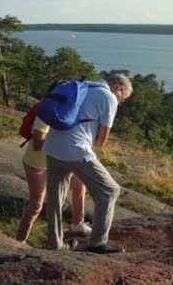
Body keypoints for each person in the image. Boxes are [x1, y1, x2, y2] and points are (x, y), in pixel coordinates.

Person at [43, 73, 132, 253]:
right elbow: (102, 139)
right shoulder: (109, 97)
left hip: (52, 146)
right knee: (110, 190)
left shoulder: (84, 87)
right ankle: (97, 243)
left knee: (55, 197)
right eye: (123, 98)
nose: (121, 101)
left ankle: (54, 244)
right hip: (76, 150)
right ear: (119, 89)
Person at [16, 90, 92, 245]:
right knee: (36, 205)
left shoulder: (72, 111)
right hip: (38, 163)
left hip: (60, 159)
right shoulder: (47, 112)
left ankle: (77, 224)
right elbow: (38, 144)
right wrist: (64, 146)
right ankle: (19, 241)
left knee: (80, 184)